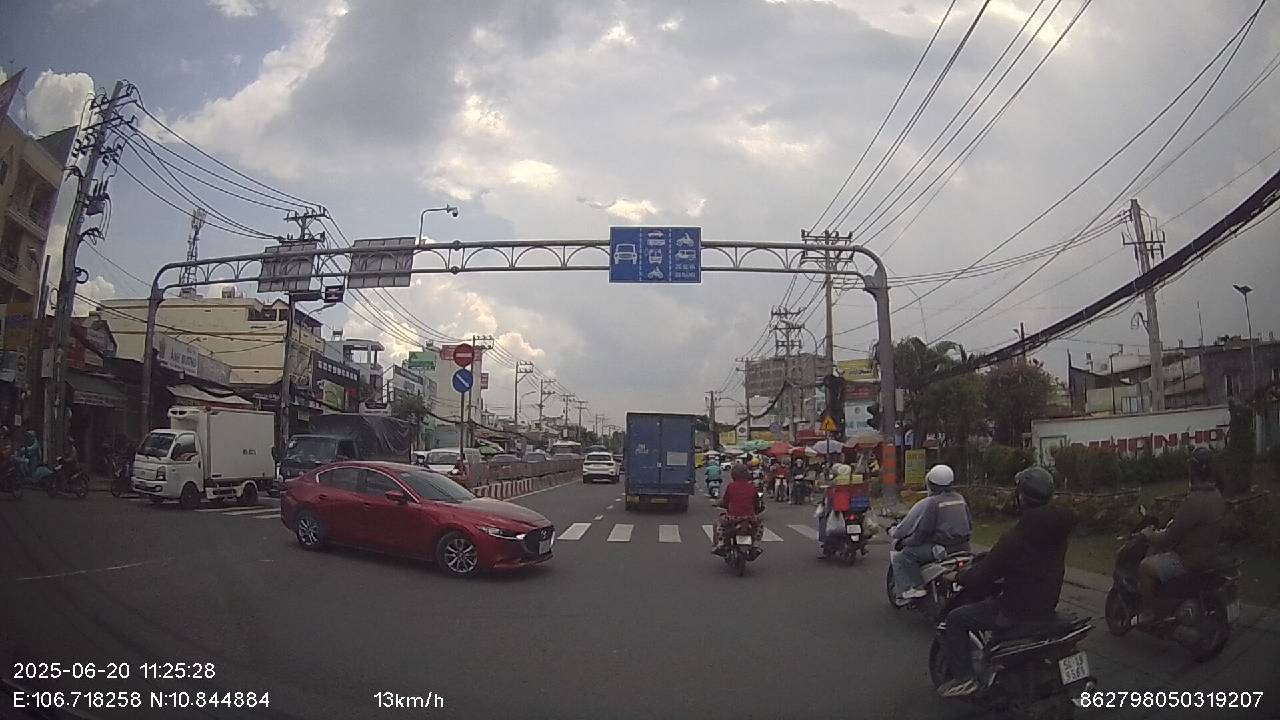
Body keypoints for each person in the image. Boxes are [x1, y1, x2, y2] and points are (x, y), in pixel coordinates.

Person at [937, 466, 1074, 698]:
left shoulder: (1017, 537)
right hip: (1046, 606)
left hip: (1015, 610)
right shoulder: (1059, 529)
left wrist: (957, 576)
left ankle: (964, 678)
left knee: (956, 619)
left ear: (1021, 497)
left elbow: (983, 576)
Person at [1135, 445, 1224, 625]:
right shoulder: (1216, 495)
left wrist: (1149, 535)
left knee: (1145, 567)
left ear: (1193, 471)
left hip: (1188, 560)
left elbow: (1168, 537)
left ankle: (1148, 613)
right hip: (1209, 555)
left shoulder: (1194, 501)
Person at [888, 464, 971, 599]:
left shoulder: (932, 502)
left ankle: (916, 587)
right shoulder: (960, 499)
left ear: (931, 484)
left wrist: (905, 542)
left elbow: (923, 532)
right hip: (964, 547)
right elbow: (969, 524)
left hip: (941, 549)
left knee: (903, 556)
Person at [712, 463, 764, 555]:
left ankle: (720, 544)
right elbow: (756, 503)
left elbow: (725, 501)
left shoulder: (731, 486)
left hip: (733, 518)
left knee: (718, 523)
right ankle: (755, 544)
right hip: (750, 518)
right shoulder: (752, 487)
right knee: (760, 525)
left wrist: (718, 504)